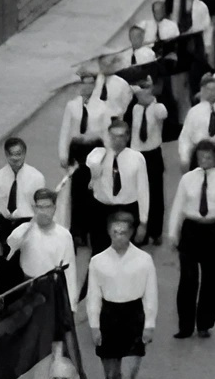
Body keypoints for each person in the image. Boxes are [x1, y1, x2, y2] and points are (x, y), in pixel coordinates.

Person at [85, 207, 158, 379]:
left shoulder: (144, 260)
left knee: (127, 378)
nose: (119, 237)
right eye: (115, 232)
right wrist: (94, 326)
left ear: (131, 233)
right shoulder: (97, 262)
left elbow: (151, 294)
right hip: (109, 318)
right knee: (111, 376)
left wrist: (149, 325)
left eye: (124, 233)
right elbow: (93, 296)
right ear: (109, 232)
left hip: (134, 317)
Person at [167, 135, 215, 340]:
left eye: (208, 157)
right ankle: (185, 326)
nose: (204, 161)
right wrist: (173, 233)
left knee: (212, 280)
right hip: (191, 229)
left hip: (213, 230)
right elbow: (178, 207)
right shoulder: (188, 180)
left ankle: (205, 323)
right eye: (201, 158)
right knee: (188, 279)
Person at [1, 185, 82, 366]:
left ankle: (53, 369)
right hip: (28, 289)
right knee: (26, 338)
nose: (43, 211)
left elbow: (70, 271)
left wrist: (71, 305)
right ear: (34, 208)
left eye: (47, 207)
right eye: (39, 207)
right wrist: (28, 227)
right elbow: (11, 244)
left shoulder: (64, 235)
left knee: (53, 338)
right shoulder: (25, 230)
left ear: (54, 208)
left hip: (53, 290)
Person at [0, 137, 47, 295]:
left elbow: (40, 208)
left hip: (26, 224)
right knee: (4, 272)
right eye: (11, 154)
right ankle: (5, 306)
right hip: (6, 225)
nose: (15, 158)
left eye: (19, 153)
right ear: (6, 155)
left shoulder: (36, 177)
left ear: (24, 153)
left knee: (24, 271)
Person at [82, 114, 150, 253]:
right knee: (99, 251)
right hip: (102, 210)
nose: (117, 140)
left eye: (121, 136)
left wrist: (143, 222)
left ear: (127, 137)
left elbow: (143, 191)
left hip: (127, 209)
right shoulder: (98, 155)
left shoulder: (137, 158)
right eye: (113, 136)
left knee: (127, 253)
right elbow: (92, 164)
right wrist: (105, 152)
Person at [56, 73, 109, 239]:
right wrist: (63, 154)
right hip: (77, 149)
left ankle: (91, 229)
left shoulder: (102, 107)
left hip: (93, 149)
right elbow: (65, 130)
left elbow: (106, 133)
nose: (87, 87)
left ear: (94, 86)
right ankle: (78, 231)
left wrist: (109, 155)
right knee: (77, 190)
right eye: (84, 84)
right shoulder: (72, 106)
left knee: (92, 189)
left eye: (91, 84)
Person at [127, 69, 169, 239]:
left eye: (146, 89)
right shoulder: (134, 109)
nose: (142, 93)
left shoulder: (158, 108)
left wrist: (150, 97)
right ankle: (140, 231)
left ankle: (156, 231)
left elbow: (163, 114)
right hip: (137, 154)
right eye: (140, 90)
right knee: (138, 193)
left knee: (155, 193)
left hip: (152, 155)